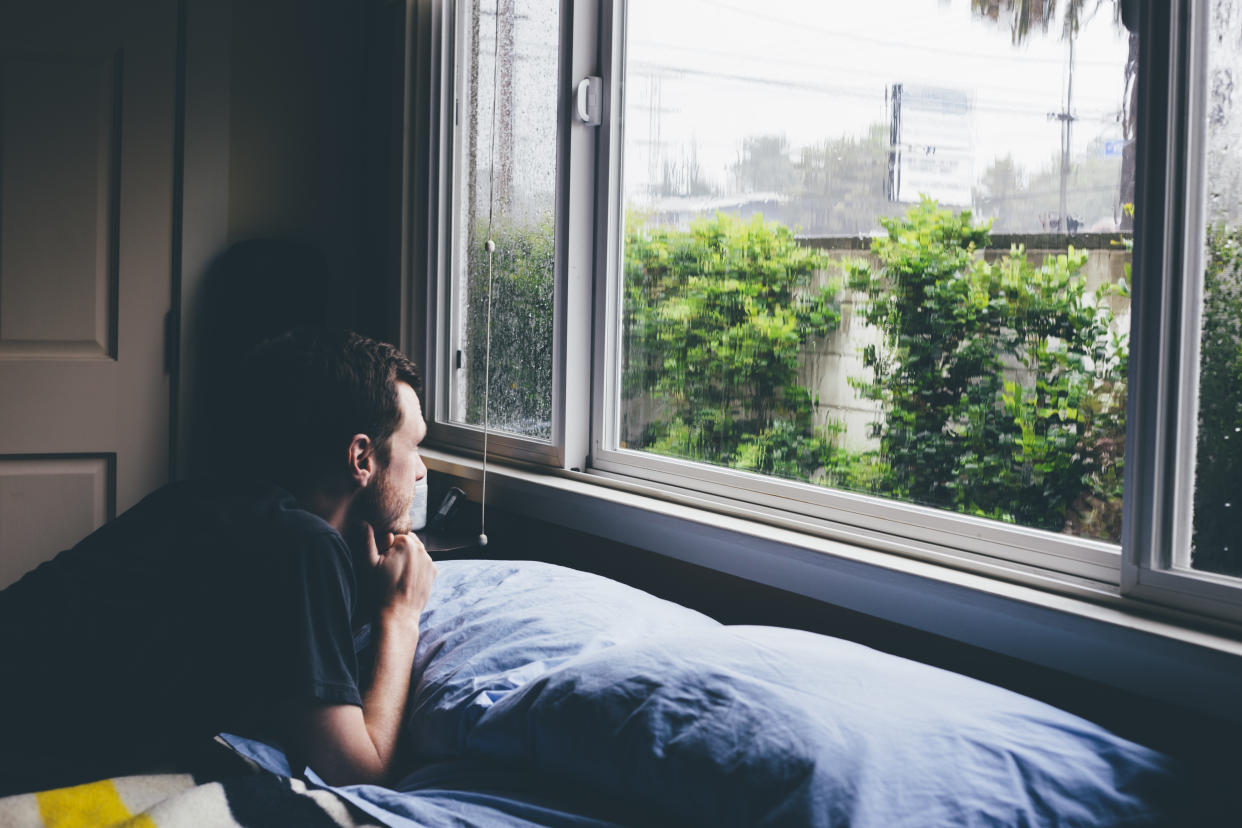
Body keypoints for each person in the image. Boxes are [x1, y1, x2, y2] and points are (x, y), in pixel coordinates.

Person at [0, 328, 438, 795]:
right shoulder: (304, 546)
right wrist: (401, 616)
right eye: (414, 446)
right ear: (360, 457)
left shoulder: (209, 501)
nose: (421, 469)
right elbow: (358, 773)